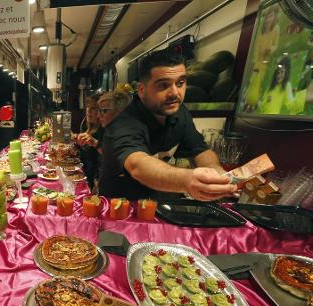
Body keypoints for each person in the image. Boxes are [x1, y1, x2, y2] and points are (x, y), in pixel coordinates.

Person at [99, 50, 237, 201]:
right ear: (141, 90)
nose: (175, 93)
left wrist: (217, 173)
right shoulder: (124, 123)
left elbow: (200, 149)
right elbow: (137, 165)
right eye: (163, 85)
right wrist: (187, 180)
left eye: (180, 83)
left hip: (156, 206)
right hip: (120, 212)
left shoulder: (180, 113)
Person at [243, 5, 280, 112]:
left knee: (261, 81)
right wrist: (254, 61)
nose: (269, 19)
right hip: (258, 61)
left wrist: (270, 49)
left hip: (267, 61)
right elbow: (255, 48)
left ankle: (256, 103)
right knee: (253, 81)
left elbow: (276, 44)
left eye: (271, 16)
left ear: (274, 17)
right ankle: (248, 103)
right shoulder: (261, 31)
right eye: (267, 17)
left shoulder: (276, 29)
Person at [74, 93, 101, 189]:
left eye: (93, 108)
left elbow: (110, 155)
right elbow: (84, 151)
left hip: (96, 178)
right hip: (84, 174)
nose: (88, 110)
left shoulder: (104, 129)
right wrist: (75, 140)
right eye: (88, 107)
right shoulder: (85, 125)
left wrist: (95, 143)